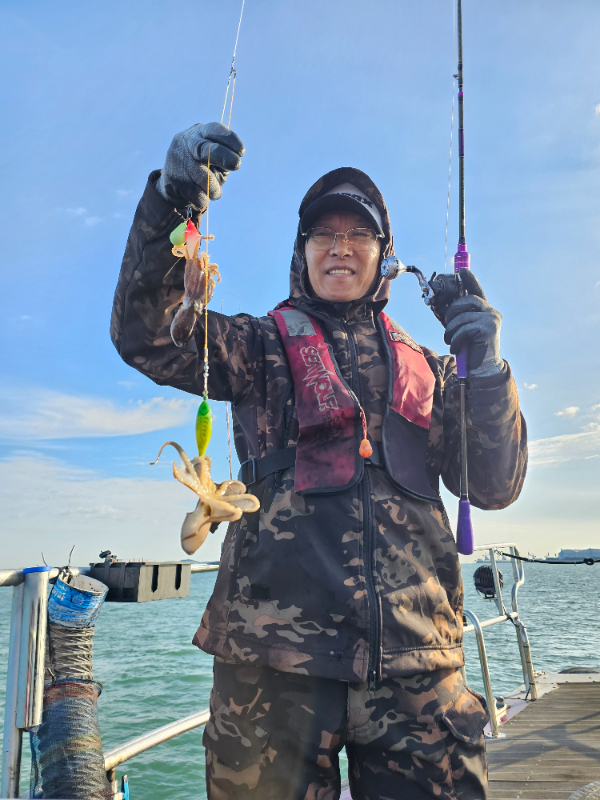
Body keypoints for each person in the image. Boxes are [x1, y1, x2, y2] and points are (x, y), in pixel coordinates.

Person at [111, 122, 527, 800]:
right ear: (300, 252)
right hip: (271, 670)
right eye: (321, 234)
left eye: (359, 233)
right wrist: (171, 203)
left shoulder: (435, 368)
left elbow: (496, 483)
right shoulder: (256, 347)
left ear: (383, 255)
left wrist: (486, 369)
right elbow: (145, 334)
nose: (339, 246)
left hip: (418, 667)